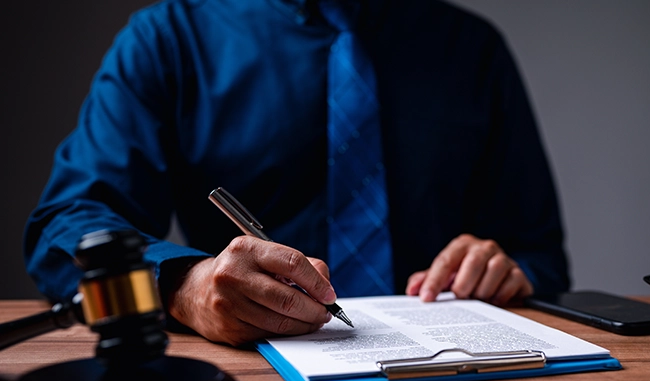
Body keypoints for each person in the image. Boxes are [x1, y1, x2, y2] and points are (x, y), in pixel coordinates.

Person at [24, 0, 570, 346]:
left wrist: (507, 269)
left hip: (454, 369)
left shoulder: (472, 48)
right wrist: (183, 287)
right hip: (252, 374)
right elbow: (66, 224)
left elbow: (540, 255)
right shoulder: (168, 38)